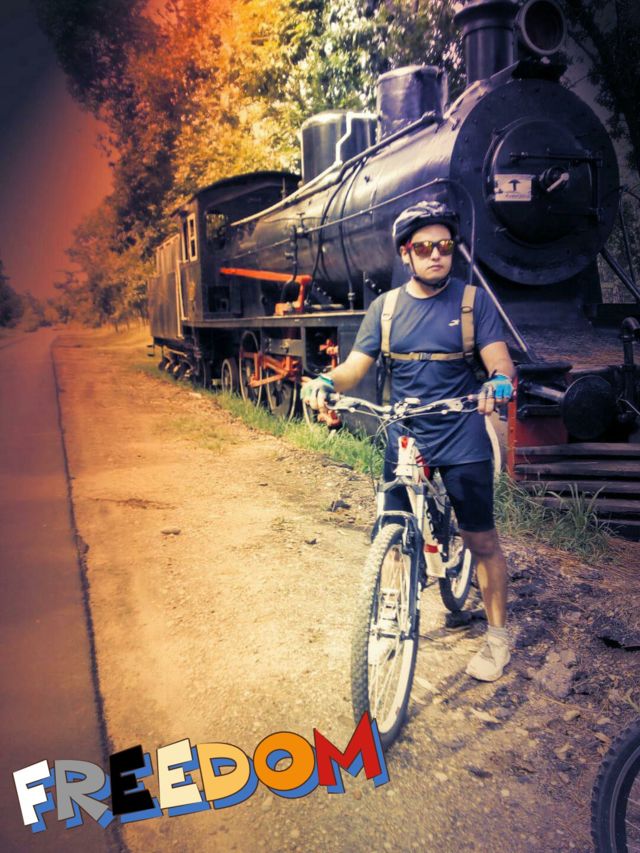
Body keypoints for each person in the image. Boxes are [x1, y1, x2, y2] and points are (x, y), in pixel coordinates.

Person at [302, 201, 515, 682]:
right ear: (406, 253)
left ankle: (498, 638)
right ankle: (391, 613)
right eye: (424, 247)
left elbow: (499, 360)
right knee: (391, 530)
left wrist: (499, 381)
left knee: (480, 539)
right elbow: (356, 367)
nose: (436, 254)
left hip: (461, 432)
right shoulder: (386, 309)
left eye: (445, 246)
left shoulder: (472, 302)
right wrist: (327, 382)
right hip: (405, 435)